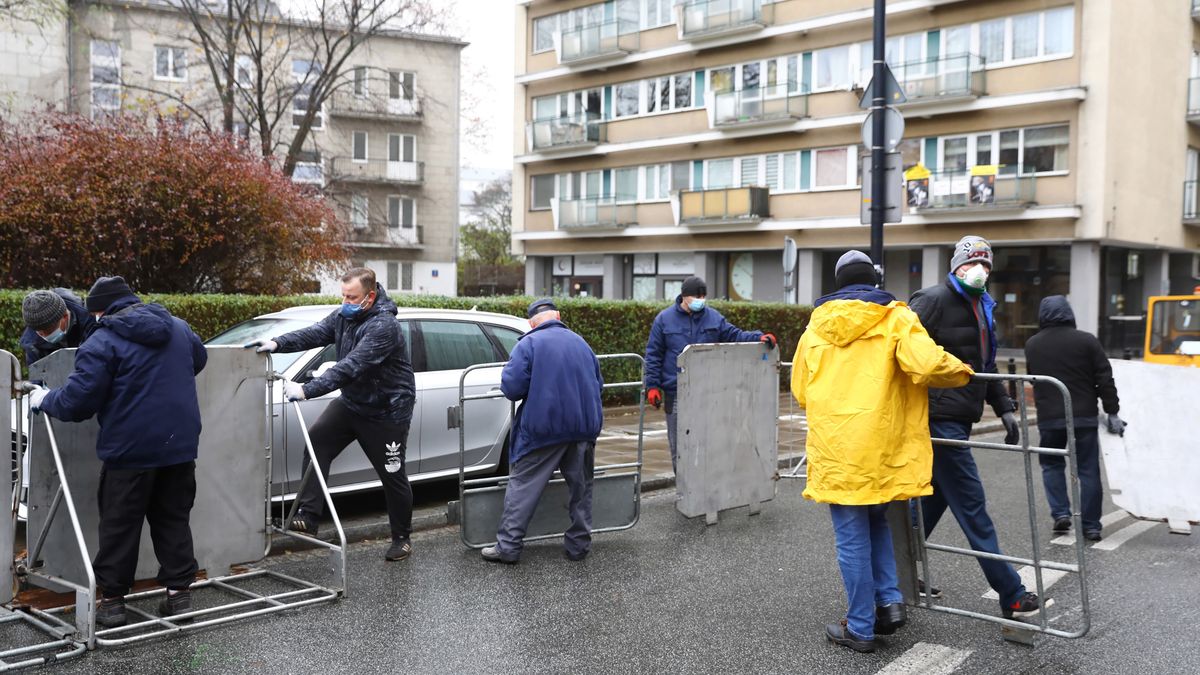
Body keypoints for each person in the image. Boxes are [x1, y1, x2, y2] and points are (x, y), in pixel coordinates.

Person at [793, 251, 973, 653]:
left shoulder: (815, 328)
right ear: (873, 281)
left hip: (838, 448)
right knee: (879, 524)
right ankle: (888, 603)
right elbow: (927, 366)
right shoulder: (896, 317)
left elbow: (801, 391)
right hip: (882, 445)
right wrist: (965, 371)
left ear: (839, 284)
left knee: (852, 536)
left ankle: (860, 626)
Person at [28, 276, 207, 627]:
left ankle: (112, 603)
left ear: (98, 311)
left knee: (119, 526)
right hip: (180, 445)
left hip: (130, 449)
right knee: (173, 519)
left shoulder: (102, 340)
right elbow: (197, 361)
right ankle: (179, 595)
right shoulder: (179, 327)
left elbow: (78, 401)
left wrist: (44, 398)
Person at [908, 235, 1040, 619]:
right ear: (955, 266)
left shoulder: (982, 305)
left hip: (960, 418)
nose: (978, 270)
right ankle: (1012, 594)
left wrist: (1004, 408)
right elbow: (903, 349)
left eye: (984, 264)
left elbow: (986, 363)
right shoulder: (932, 299)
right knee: (971, 503)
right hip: (937, 417)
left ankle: (893, 569)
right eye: (970, 263)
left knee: (934, 500)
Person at [246, 267, 416, 562]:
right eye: (343, 296)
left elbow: (350, 366)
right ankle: (309, 516)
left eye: (352, 297)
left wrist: (308, 390)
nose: (346, 302)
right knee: (316, 444)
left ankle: (402, 538)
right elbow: (316, 333)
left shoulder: (383, 327)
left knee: (392, 475)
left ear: (370, 296)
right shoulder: (345, 316)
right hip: (352, 402)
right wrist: (278, 343)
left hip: (387, 411)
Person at [481, 298, 603, 564]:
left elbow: (511, 388)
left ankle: (509, 547)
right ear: (557, 316)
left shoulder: (528, 344)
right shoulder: (582, 343)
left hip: (544, 429)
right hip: (584, 426)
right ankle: (578, 546)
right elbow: (598, 383)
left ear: (531, 322)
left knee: (523, 487)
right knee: (581, 490)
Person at [642, 275, 776, 473]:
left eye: (704, 296)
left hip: (708, 390)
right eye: (697, 296)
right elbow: (653, 354)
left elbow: (734, 335)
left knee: (708, 442)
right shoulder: (664, 320)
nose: (701, 300)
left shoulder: (713, 317)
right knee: (679, 445)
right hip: (677, 391)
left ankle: (704, 489)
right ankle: (684, 490)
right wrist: (652, 386)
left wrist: (758, 337)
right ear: (684, 297)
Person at [1024, 295, 1123, 541]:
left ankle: (1060, 514)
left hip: (1050, 417)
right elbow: (1104, 378)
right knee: (1088, 470)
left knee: (1051, 465)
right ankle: (1091, 526)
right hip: (1084, 416)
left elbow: (1034, 379)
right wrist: (1112, 411)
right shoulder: (1087, 341)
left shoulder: (1033, 344)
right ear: (1069, 314)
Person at [19, 288, 95, 366]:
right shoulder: (32, 343)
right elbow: (37, 374)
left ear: (65, 316)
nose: (45, 335)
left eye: (49, 329)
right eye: (40, 332)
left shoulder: (90, 323)